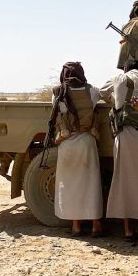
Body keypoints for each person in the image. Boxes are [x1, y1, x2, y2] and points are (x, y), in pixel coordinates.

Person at [101, 59, 138, 241]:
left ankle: (128, 231)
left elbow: (102, 92)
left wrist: (114, 100)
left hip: (125, 136)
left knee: (124, 181)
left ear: (126, 68)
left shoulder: (120, 78)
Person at [51, 62, 104, 236]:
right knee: (91, 185)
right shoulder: (93, 91)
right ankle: (96, 225)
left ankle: (76, 226)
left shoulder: (58, 92)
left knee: (71, 186)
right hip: (87, 142)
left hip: (67, 143)